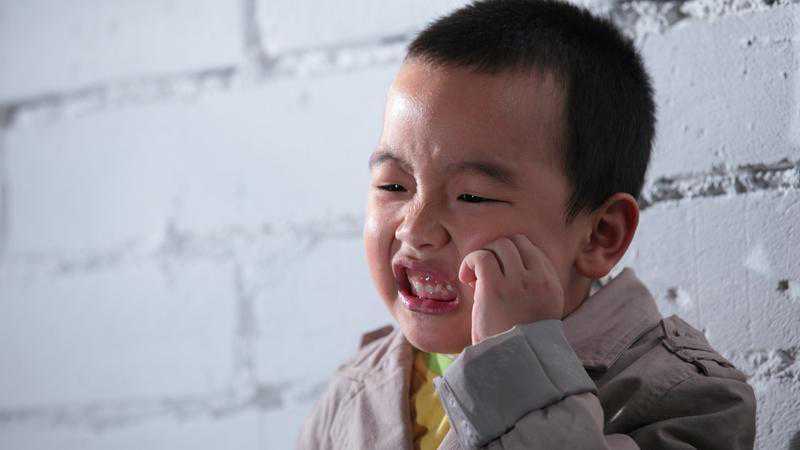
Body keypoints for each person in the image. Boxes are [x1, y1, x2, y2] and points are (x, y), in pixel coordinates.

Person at [297, 0, 756, 448]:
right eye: (393, 186)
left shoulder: (691, 401)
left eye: (472, 196)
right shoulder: (352, 395)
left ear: (600, 235)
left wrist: (516, 363)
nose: (415, 231)